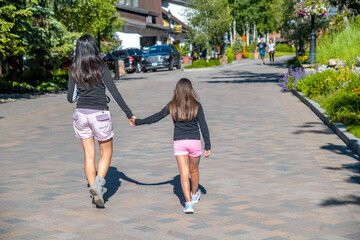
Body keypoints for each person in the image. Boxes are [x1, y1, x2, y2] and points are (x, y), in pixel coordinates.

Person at [67, 34, 135, 208]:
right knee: (106, 153)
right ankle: (98, 186)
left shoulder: (74, 69)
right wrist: (129, 114)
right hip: (100, 115)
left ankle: (94, 191)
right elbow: (114, 93)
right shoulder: (101, 67)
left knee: (89, 155)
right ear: (93, 48)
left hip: (81, 115)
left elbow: (71, 98)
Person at [130, 78, 211, 214]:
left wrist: (138, 122)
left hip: (179, 142)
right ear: (191, 89)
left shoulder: (172, 105)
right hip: (194, 142)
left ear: (177, 91)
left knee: (184, 173)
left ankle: (188, 204)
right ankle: (195, 193)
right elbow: (204, 126)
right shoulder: (196, 105)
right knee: (194, 170)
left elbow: (156, 117)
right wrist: (207, 145)